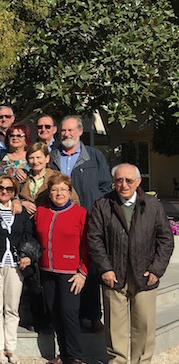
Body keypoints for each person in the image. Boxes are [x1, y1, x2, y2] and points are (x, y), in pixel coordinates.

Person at [89, 164, 174, 364]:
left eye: (128, 180)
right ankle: (117, 362)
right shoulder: (103, 204)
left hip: (145, 274)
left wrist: (156, 269)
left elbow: (166, 239)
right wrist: (105, 268)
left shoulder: (153, 205)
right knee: (114, 321)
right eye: (119, 180)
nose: (123, 185)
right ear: (113, 182)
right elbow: (95, 239)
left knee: (144, 322)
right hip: (114, 274)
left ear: (138, 182)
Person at [50, 115, 112, 332]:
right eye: (63, 131)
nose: (66, 135)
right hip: (60, 220)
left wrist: (97, 211)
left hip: (87, 219)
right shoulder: (53, 156)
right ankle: (69, 316)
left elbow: (106, 187)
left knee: (90, 267)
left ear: (79, 132)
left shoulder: (94, 157)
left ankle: (93, 315)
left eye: (70, 131)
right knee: (66, 267)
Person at [35, 172, 90, 364]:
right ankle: (63, 354)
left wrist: (83, 272)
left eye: (63, 189)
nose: (59, 193)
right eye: (54, 189)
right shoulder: (42, 212)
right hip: (47, 271)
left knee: (69, 313)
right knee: (54, 311)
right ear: (49, 193)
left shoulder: (80, 213)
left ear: (70, 192)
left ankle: (75, 357)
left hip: (70, 273)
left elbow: (88, 246)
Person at [0, 175, 33, 364]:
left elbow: (28, 234)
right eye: (0, 188)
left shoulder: (18, 210)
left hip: (15, 264)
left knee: (12, 308)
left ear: (14, 192)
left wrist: (27, 255)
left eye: (9, 189)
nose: (4, 191)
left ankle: (11, 347)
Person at [19, 142, 79, 215]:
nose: (35, 161)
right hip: (26, 222)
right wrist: (21, 203)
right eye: (31, 158)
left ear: (47, 158)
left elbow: (74, 201)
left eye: (38, 157)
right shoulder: (22, 178)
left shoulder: (58, 177)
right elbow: (10, 198)